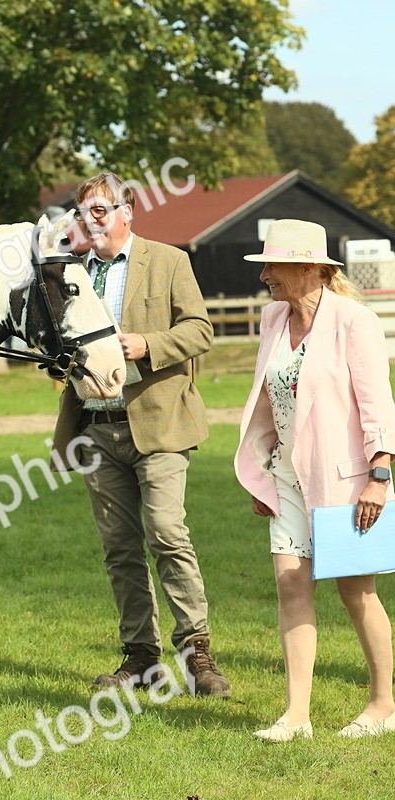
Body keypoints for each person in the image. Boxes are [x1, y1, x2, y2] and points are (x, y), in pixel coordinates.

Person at [52, 172, 230, 697]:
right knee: (120, 548)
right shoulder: (72, 272)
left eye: (102, 210)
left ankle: (197, 652)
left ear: (129, 210)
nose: (93, 220)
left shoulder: (170, 261)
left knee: (168, 534)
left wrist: (145, 345)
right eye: (85, 212)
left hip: (160, 422)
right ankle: (141, 658)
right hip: (96, 426)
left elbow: (200, 330)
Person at [234, 219, 395, 742]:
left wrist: (380, 475)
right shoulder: (273, 318)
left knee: (356, 592)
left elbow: (377, 404)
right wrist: (260, 470)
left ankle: (382, 704)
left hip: (346, 479)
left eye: (272, 266)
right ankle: (296, 716)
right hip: (287, 476)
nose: (266, 278)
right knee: (290, 584)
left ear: (309, 267)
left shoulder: (353, 320)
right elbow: (267, 399)